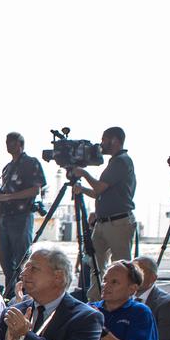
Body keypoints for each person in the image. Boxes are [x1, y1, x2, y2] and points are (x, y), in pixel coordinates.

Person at [72, 127, 136, 301]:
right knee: (95, 265)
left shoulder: (121, 161)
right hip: (104, 222)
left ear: (114, 140)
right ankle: (96, 301)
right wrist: (82, 189)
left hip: (118, 222)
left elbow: (99, 187)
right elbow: (98, 192)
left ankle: (122, 303)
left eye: (104, 140)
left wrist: (83, 174)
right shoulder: (115, 162)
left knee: (122, 268)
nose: (101, 145)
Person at [0, 132, 46, 298]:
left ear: (21, 144)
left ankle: (27, 295)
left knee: (22, 259)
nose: (9, 146)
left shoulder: (30, 163)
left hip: (21, 215)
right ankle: (11, 294)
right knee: (6, 260)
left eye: (12, 143)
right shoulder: (7, 167)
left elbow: (36, 189)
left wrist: (7, 197)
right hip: (4, 216)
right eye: (7, 142)